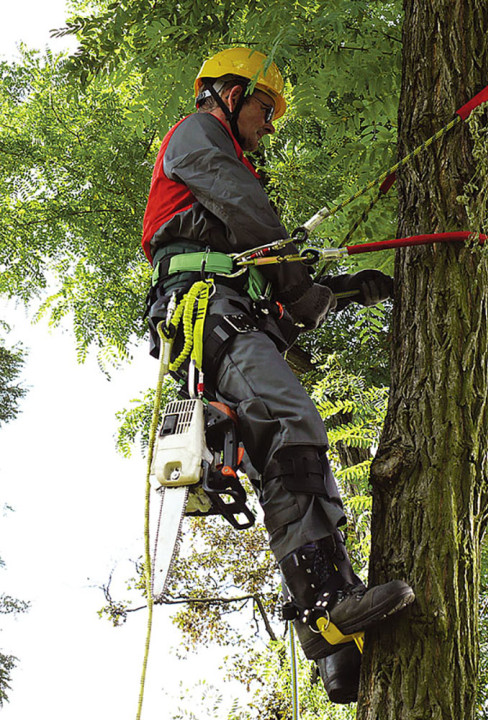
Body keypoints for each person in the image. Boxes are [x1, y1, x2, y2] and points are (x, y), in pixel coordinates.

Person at [142, 47, 414, 702]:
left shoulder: (227, 216)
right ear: (230, 95)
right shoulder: (198, 134)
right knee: (292, 420)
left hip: (226, 315)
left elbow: (281, 302)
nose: (268, 125)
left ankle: (328, 635)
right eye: (265, 107)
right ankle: (326, 600)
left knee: (280, 449)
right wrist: (295, 281)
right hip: (208, 311)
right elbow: (255, 222)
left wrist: (344, 292)